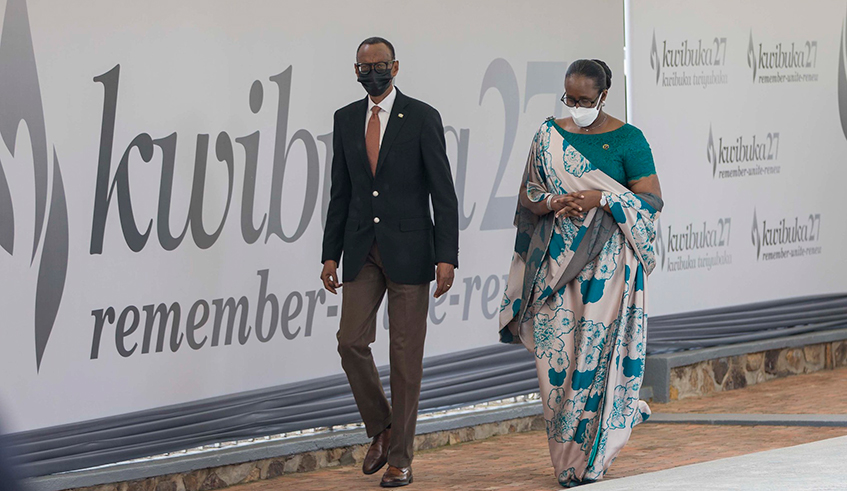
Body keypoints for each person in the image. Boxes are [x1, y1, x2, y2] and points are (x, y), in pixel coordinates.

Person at [499, 59, 663, 487]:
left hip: (609, 267)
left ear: (603, 96)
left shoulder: (629, 139)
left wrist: (600, 199)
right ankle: (567, 456)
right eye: (569, 98)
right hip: (556, 266)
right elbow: (528, 193)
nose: (576, 106)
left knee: (595, 359)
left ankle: (593, 458)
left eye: (585, 100)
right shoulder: (548, 135)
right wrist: (558, 203)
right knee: (557, 364)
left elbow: (651, 199)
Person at [320, 37, 459, 488]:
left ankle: (400, 459)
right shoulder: (344, 119)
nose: (371, 73)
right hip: (361, 250)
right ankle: (381, 427)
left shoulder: (421, 116)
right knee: (349, 342)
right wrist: (329, 254)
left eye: (379, 65)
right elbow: (339, 193)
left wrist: (446, 256)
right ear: (355, 70)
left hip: (412, 252)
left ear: (395, 67)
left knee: (405, 357)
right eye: (364, 67)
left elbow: (443, 190)